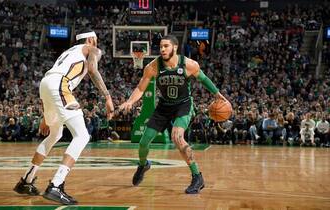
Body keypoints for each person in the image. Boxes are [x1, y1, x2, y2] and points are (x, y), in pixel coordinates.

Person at [13, 30, 114, 205]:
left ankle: (26, 181)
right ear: (91, 39)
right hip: (60, 85)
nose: (97, 44)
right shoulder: (92, 48)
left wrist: (46, 116)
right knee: (82, 135)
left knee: (55, 135)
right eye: (96, 40)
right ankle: (56, 185)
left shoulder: (68, 52)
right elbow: (92, 69)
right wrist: (107, 96)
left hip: (46, 85)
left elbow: (51, 79)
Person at [119, 35, 227, 194]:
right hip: (163, 106)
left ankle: (197, 176)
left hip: (183, 105)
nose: (162, 49)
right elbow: (141, 88)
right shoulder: (153, 67)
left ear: (174, 48)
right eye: (161, 46)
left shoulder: (189, 64)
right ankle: (143, 164)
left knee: (177, 136)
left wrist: (217, 94)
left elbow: (203, 79)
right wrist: (130, 101)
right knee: (143, 142)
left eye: (166, 46)